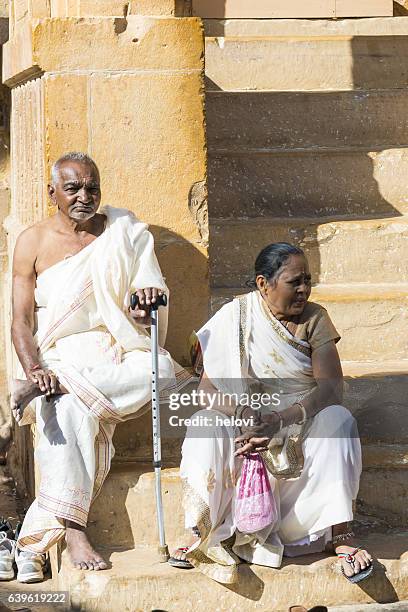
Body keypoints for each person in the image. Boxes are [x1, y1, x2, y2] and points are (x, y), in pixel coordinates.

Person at [9, 152, 189, 582]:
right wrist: (35, 369)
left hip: (117, 351)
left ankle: (32, 542)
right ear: (51, 192)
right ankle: (73, 530)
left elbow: (147, 310)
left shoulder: (124, 232)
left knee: (161, 371)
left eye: (92, 188)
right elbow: (20, 320)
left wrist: (147, 308)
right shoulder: (32, 241)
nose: (84, 196)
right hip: (59, 354)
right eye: (72, 188)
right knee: (64, 410)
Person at [170, 243, 373, 584]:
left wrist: (281, 419)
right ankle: (200, 528)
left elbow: (330, 388)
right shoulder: (233, 317)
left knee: (338, 419)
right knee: (204, 421)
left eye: (308, 280)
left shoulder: (315, 318)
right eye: (295, 281)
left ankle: (339, 532)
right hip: (244, 427)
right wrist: (243, 414)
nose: (304, 289)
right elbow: (207, 391)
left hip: (298, 423)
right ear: (263, 284)